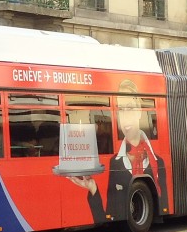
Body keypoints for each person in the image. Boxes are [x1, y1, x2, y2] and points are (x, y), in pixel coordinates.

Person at [67, 79, 166, 224]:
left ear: (140, 110)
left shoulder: (158, 161)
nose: (125, 117)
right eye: (120, 110)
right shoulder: (115, 162)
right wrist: (93, 189)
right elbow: (108, 217)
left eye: (130, 108)